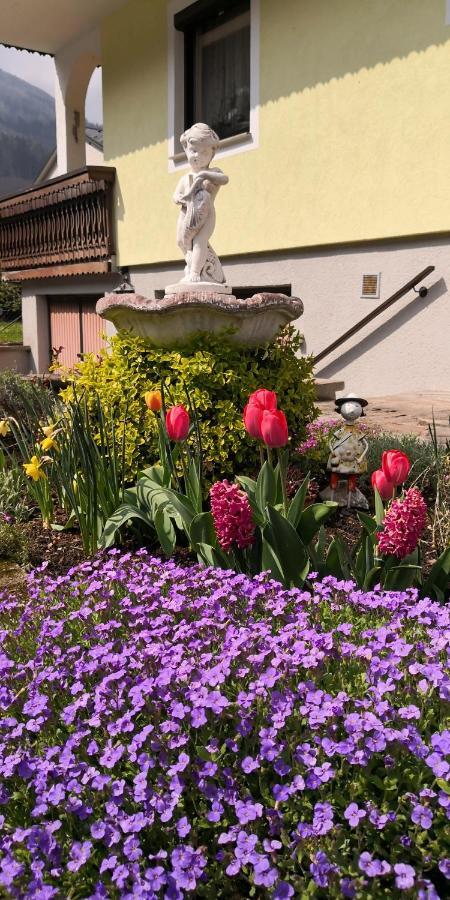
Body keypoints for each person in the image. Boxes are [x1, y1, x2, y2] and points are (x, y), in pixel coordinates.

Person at [173, 123, 229, 284]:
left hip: (206, 215)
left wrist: (204, 174)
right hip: (186, 214)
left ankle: (196, 272)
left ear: (212, 153)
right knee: (181, 241)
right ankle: (194, 263)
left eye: (204, 152)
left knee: (200, 241)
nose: (197, 155)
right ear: (186, 151)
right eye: (193, 151)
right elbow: (175, 195)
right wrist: (178, 198)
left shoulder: (213, 173)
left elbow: (225, 179)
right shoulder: (185, 178)